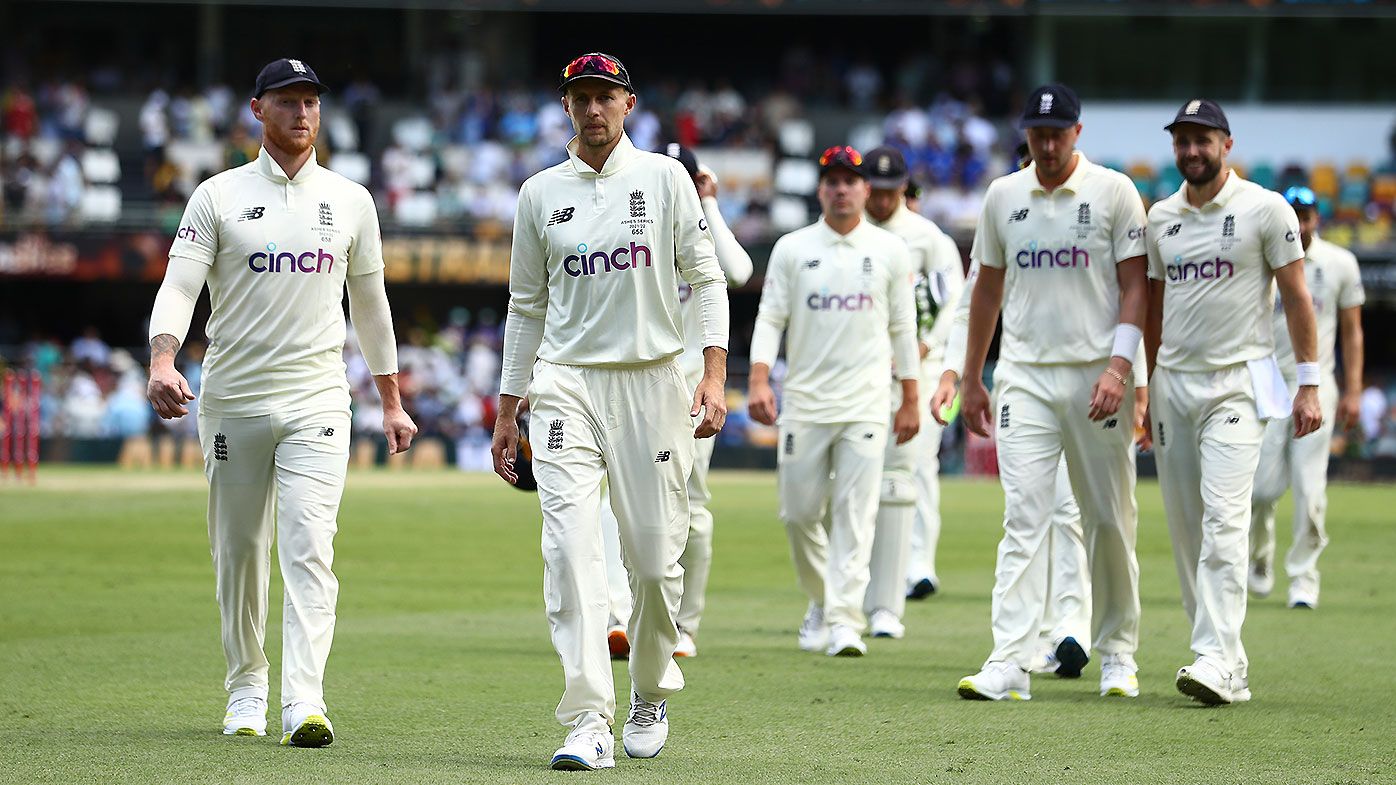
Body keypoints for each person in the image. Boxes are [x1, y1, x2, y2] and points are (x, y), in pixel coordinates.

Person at [145, 58, 417, 747]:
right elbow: (180, 285)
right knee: (239, 551)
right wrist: (161, 357)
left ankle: (304, 698)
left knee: (309, 547)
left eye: (311, 102)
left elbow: (372, 307)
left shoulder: (351, 200)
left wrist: (391, 401)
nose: (302, 113)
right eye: (288, 101)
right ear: (256, 110)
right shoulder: (217, 195)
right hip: (233, 398)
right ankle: (246, 686)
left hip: (318, 399)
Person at [489, 52, 730, 771]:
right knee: (569, 551)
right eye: (581, 97)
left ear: (629, 104)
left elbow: (707, 277)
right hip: (566, 385)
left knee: (655, 562)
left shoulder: (664, 179)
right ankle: (586, 718)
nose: (593, 110)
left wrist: (714, 377)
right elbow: (525, 307)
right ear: (566, 107)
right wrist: (508, 410)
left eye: (605, 97)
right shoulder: (539, 193)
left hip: (653, 382)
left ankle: (649, 689)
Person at [953, 84, 1148, 702]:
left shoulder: (1114, 192)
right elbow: (985, 290)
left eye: (1058, 132)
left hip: (1097, 377)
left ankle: (1118, 652)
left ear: (1078, 132)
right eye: (1038, 134)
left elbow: (1137, 287)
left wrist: (1121, 369)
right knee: (1024, 518)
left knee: (1108, 519)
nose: (1048, 143)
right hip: (1024, 377)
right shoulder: (1003, 195)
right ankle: (1010, 659)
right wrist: (972, 376)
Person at [1144, 98, 1321, 705]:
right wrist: (1144, 384)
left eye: (1203, 139)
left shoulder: (1266, 210)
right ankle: (1224, 660)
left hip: (1237, 382)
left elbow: (1298, 298)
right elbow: (1151, 310)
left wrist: (1311, 382)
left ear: (1227, 143)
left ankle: (1215, 656)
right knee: (1188, 530)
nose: (1192, 151)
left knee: (1225, 520)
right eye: (1182, 140)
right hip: (1172, 382)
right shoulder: (1160, 217)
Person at [747, 145, 920, 658]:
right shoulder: (794, 248)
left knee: (855, 514)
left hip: (867, 402)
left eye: (851, 181)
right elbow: (770, 318)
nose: (841, 189)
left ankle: (845, 619)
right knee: (798, 514)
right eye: (832, 181)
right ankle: (824, 600)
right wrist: (759, 379)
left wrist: (910, 396)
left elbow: (903, 328)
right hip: (805, 401)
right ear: (821, 189)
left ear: (867, 189)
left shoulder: (889, 250)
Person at [599, 143, 753, 659]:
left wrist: (710, 205)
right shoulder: (632, 220)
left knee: (690, 503)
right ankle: (622, 615)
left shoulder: (698, 229)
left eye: (690, 178)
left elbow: (739, 272)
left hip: (692, 388)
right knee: (614, 499)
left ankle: (685, 625)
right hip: (632, 383)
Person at [860, 144, 963, 638]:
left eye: (889, 191)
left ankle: (915, 565)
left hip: (921, 368)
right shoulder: (851, 231)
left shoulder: (927, 238)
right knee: (865, 469)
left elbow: (952, 301)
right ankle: (871, 568)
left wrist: (929, 347)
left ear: (905, 188)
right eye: (873, 190)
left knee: (917, 464)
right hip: (863, 368)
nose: (880, 200)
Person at [1249, 186, 1365, 609]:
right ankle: (1259, 558)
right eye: (1293, 215)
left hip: (1317, 387)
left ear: (1318, 219)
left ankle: (1303, 577)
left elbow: (1352, 332)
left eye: (1307, 216)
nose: (1300, 225)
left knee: (1309, 487)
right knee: (1259, 490)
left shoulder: (1340, 264)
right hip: (1266, 385)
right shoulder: (1260, 257)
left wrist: (1352, 390)